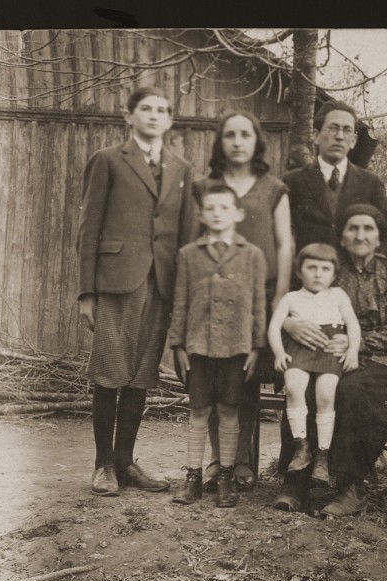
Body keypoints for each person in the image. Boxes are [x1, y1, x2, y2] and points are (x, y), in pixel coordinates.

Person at [75, 85, 197, 497]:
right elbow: (89, 228)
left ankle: (126, 462)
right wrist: (87, 292)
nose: (154, 115)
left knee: (141, 375)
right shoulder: (108, 159)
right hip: (116, 281)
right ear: (128, 116)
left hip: (160, 284)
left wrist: (182, 295)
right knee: (110, 372)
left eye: (162, 110)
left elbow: (186, 235)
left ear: (170, 120)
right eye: (145, 108)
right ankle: (103, 465)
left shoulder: (182, 168)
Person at [273, 204, 387, 517]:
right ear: (342, 236)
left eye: (368, 229)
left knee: (352, 390)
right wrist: (290, 323)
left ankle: (351, 486)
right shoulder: (330, 270)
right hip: (328, 353)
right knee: (304, 383)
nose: (360, 235)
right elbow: (299, 306)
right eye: (353, 228)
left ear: (379, 237)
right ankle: (297, 480)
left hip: (384, 358)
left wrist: (356, 342)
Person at [195, 111, 294, 492]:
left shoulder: (274, 189)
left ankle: (241, 462)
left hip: (260, 296)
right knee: (218, 379)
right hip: (216, 297)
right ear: (221, 142)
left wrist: (280, 296)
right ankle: (216, 460)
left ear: (257, 142)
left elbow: (284, 244)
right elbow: (194, 242)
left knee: (247, 378)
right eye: (230, 135)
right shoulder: (204, 187)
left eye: (245, 135)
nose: (238, 142)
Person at [168, 184, 267, 508]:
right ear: (201, 215)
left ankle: (226, 476)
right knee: (198, 411)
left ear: (238, 214)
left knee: (228, 410)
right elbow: (180, 303)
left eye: (225, 208)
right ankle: (193, 478)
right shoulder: (188, 255)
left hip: (237, 348)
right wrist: (178, 345)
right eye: (210, 208)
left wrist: (256, 347)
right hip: (199, 346)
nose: (217, 214)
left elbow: (259, 305)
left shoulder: (251, 255)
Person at [268, 243, 361, 487]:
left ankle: (322, 454)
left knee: (326, 392)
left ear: (334, 273)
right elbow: (274, 327)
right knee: (293, 385)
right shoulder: (291, 298)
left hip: (329, 349)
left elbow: (352, 324)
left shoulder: (338, 295)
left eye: (325, 269)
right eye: (311, 268)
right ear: (299, 271)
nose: (318, 274)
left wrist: (352, 350)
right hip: (299, 349)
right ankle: (301, 446)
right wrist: (279, 353)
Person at [283, 101, 387, 264]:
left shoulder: (370, 183)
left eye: (347, 130)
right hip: (308, 277)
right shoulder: (293, 181)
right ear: (316, 136)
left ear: (353, 140)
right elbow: (280, 236)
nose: (340, 136)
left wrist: (367, 267)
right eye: (333, 128)